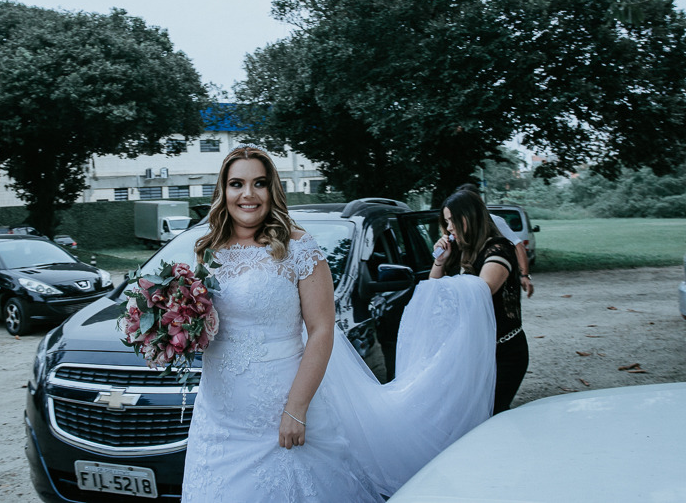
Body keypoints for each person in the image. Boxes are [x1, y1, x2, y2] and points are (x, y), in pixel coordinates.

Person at [181, 144, 498, 502]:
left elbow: (321, 330)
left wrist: (296, 409)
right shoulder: (209, 249)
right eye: (237, 184)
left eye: (260, 183)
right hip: (219, 414)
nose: (248, 194)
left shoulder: (299, 247)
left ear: (273, 189)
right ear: (223, 191)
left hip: (279, 409)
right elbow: (204, 320)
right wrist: (170, 331)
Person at [430, 189, 529, 414]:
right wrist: (440, 260)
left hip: (503, 352)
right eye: (446, 222)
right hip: (471, 350)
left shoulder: (499, 248)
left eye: (453, 220)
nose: (449, 228)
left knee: (493, 413)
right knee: (469, 414)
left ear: (471, 216)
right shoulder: (456, 251)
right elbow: (433, 289)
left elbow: (482, 291)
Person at [455, 183, 534, 298]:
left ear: (480, 201)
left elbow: (518, 245)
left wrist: (525, 275)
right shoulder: (459, 225)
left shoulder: (494, 220)